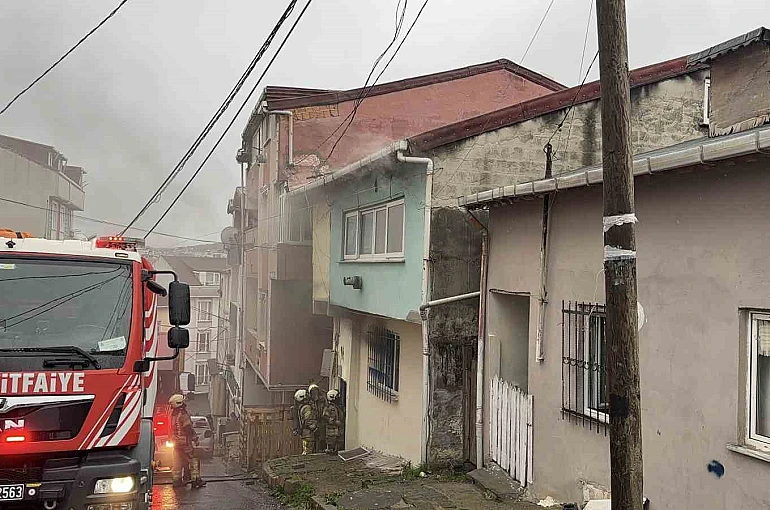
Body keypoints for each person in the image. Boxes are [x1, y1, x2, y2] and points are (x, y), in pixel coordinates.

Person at [169, 394, 206, 488]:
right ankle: (196, 479)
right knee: (193, 459)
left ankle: (177, 480)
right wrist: (195, 438)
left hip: (175, 443)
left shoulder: (173, 415)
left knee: (177, 462)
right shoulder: (183, 415)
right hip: (185, 443)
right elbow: (188, 428)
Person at [295, 389, 317, 455]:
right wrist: (314, 428)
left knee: (306, 450)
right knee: (308, 452)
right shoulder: (307, 408)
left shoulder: (301, 407)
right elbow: (309, 420)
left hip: (305, 433)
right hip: (308, 433)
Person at [308, 383, 325, 449]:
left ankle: (320, 450)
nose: (314, 394)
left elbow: (325, 409)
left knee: (321, 438)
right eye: (313, 392)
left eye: (316, 392)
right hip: (313, 422)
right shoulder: (309, 402)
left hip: (321, 422)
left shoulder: (322, 400)